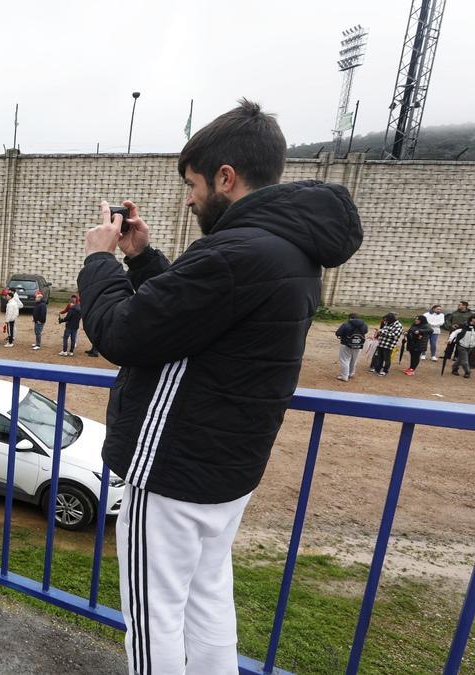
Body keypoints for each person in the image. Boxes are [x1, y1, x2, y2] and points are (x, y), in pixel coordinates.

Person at [76, 99, 362, 674]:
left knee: (153, 614)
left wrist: (98, 259)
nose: (189, 197)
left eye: (193, 184)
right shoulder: (288, 251)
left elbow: (126, 335)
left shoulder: (234, 252)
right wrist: (142, 257)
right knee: (207, 598)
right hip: (226, 467)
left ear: (226, 178)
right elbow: (192, 318)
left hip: (173, 470)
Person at [334, 313, 367, 381]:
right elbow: (365, 332)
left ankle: (344, 376)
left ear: (350, 318)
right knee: (354, 360)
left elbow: (338, 333)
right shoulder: (364, 325)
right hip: (359, 344)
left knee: (345, 360)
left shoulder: (346, 324)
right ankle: (351, 373)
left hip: (346, 344)